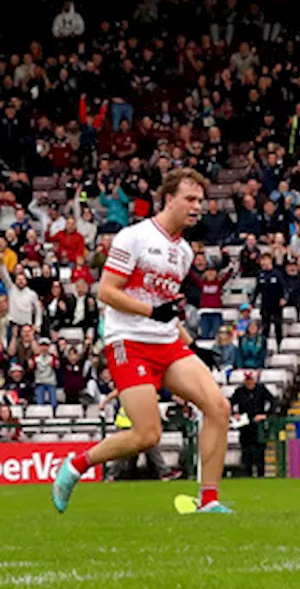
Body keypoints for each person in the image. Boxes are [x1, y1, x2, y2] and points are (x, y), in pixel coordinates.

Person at [52, 168, 233, 514]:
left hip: (166, 342)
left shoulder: (182, 252)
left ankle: (208, 502)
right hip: (129, 342)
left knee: (219, 408)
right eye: (190, 199)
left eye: (201, 200)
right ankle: (76, 465)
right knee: (147, 435)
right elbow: (106, 292)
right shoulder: (133, 237)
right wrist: (151, 312)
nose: (197, 207)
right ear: (169, 199)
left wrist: (190, 344)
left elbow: (166, 307)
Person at [229, 370, 275, 478]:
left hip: (258, 425)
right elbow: (229, 403)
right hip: (244, 425)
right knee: (246, 452)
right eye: (247, 380)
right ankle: (248, 475)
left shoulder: (261, 389)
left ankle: (261, 475)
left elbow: (273, 401)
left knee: (259, 451)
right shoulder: (239, 391)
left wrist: (265, 415)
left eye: (251, 380)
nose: (249, 382)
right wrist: (235, 414)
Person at [250, 252, 286, 349]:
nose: (264, 262)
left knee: (278, 326)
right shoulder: (260, 275)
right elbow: (257, 290)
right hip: (265, 305)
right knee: (265, 327)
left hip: (276, 305)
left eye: (265, 259)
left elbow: (283, 287)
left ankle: (279, 345)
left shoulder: (277, 273)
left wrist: (284, 298)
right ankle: (263, 347)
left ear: (270, 260)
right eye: (262, 260)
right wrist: (251, 302)